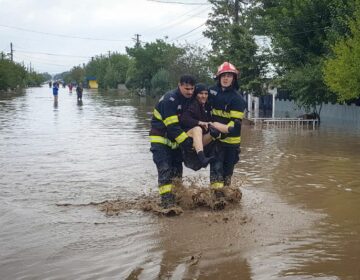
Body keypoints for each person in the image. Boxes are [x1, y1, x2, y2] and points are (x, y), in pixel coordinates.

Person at [149, 75, 196, 209]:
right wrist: (187, 143)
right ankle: (167, 203)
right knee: (165, 170)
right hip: (160, 140)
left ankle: (178, 198)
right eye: (187, 89)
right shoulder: (169, 100)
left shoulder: (188, 99)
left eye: (192, 89)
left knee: (177, 172)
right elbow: (172, 127)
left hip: (174, 142)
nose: (190, 92)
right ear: (179, 85)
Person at [208, 62, 247, 197]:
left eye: (229, 75)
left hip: (231, 144)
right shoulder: (211, 92)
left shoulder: (238, 100)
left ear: (234, 78)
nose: (226, 78)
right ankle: (216, 201)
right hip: (216, 142)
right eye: (223, 75)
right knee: (215, 172)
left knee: (226, 176)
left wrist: (216, 126)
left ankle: (225, 201)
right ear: (218, 77)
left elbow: (235, 128)